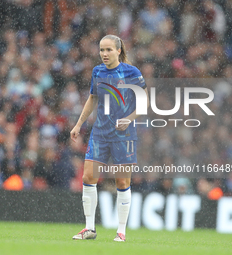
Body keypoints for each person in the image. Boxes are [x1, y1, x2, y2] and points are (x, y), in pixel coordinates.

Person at [70, 35, 149, 242]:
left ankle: (121, 231)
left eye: (108, 50)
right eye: (102, 50)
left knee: (122, 181)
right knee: (88, 177)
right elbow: (93, 98)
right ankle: (89, 228)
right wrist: (79, 124)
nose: (104, 54)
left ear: (118, 51)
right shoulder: (97, 72)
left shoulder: (131, 73)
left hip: (123, 135)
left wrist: (129, 119)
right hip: (100, 133)